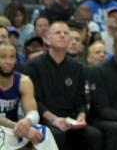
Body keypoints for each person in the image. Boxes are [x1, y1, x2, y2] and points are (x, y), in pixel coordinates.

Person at [24, 21, 103, 150]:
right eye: (57, 32)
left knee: (94, 135)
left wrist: (81, 117)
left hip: (70, 120)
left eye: (66, 33)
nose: (62, 35)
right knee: (56, 134)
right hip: (44, 119)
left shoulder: (78, 68)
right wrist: (54, 120)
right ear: (47, 39)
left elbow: (81, 99)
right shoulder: (33, 65)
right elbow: (34, 100)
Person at [0, 42, 57, 150]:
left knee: (44, 133)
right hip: (10, 127)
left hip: (13, 130)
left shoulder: (23, 81)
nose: (8, 61)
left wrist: (27, 121)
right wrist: (20, 127)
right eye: (3, 57)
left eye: (12, 57)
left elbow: (33, 113)